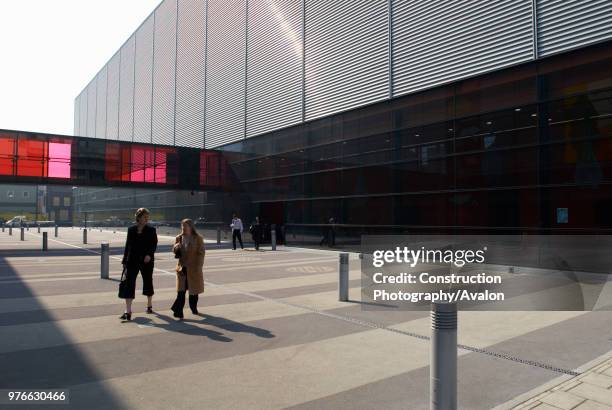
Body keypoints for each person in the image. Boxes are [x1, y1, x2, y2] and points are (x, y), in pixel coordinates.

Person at [119, 208, 158, 321]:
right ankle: (128, 311)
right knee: (129, 284)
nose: (147, 219)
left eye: (147, 217)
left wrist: (149, 255)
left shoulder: (151, 230)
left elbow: (153, 245)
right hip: (132, 261)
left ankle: (149, 305)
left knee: (148, 281)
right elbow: (128, 246)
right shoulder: (131, 229)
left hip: (146, 261)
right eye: (144, 217)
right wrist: (124, 261)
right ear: (139, 217)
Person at [171, 219, 205, 319]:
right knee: (180, 292)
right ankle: (178, 311)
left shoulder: (198, 238)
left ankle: (193, 307)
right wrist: (175, 248)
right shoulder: (179, 238)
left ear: (191, 227)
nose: (184, 228)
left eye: (185, 226)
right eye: (182, 226)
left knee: (193, 291)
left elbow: (201, 253)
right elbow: (174, 250)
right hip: (182, 269)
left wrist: (198, 266)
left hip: (194, 268)